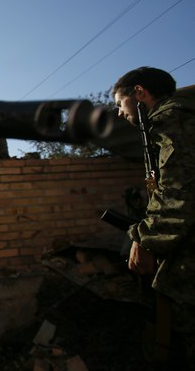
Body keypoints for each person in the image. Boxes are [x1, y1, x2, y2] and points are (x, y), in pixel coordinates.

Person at [112, 66, 195, 369]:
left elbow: (179, 193)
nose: (119, 112)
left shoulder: (172, 119)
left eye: (120, 103)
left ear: (139, 93)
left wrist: (145, 239)